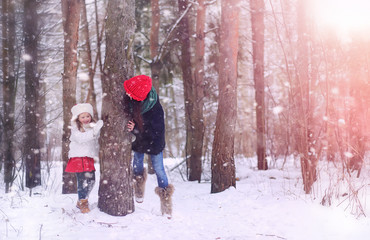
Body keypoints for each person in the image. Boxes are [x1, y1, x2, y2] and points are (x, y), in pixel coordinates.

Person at [124, 75, 174, 218]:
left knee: (159, 168)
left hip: (154, 140)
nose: (127, 94)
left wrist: (136, 128)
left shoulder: (155, 108)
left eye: (131, 93)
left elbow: (155, 130)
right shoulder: (134, 99)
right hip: (141, 138)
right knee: (137, 163)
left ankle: (166, 204)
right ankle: (139, 189)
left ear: (140, 96)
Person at [65, 103, 103, 213]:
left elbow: (95, 139)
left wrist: (97, 130)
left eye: (88, 116)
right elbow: (81, 138)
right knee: (82, 181)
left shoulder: (92, 126)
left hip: (88, 157)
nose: (86, 119)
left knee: (92, 180)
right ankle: (83, 202)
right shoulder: (75, 128)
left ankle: (81, 200)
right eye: (82, 117)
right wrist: (94, 132)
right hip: (78, 157)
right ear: (78, 118)